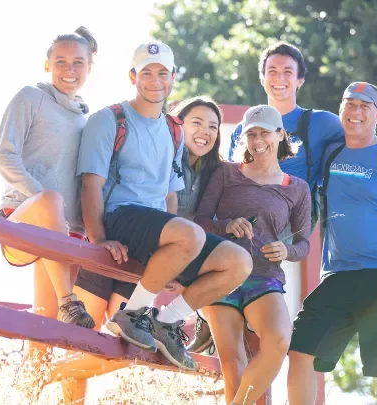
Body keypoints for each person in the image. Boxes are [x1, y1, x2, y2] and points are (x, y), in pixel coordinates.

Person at [189, 40, 377, 354]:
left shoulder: (321, 123)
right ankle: (207, 314)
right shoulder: (246, 126)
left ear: (300, 80)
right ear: (262, 78)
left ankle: (237, 313)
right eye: (272, 71)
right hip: (245, 218)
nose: (280, 77)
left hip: (289, 218)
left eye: (288, 72)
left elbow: (364, 137)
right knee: (212, 224)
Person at [77, 42, 252, 372]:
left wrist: (178, 256)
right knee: (191, 235)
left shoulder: (173, 130)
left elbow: (171, 196)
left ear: (172, 77)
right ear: (133, 76)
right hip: (120, 215)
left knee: (238, 262)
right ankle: (131, 314)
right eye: (146, 73)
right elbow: (90, 185)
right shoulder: (109, 119)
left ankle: (166, 321)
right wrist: (98, 239)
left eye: (162, 73)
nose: (155, 80)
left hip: (156, 226)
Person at [62, 96, 225, 403]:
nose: (205, 131)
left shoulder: (211, 175)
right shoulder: (150, 144)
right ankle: (62, 387)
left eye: (213, 126)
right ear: (177, 125)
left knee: (128, 347)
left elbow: (197, 223)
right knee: (83, 338)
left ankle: (55, 374)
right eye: (196, 123)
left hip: (147, 259)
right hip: (117, 239)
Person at [287, 82, 377, 405]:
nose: (356, 112)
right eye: (350, 104)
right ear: (341, 111)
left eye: (365, 106)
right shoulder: (331, 153)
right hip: (337, 275)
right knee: (300, 348)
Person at [0, 26, 98, 401]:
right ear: (47, 64)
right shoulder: (30, 98)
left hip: (64, 236)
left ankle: (29, 395)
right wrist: (44, 200)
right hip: (24, 218)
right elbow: (4, 157)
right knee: (52, 200)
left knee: (46, 328)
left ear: (90, 66)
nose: (69, 69)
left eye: (78, 62)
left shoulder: (87, 120)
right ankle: (70, 301)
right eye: (60, 62)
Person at [194, 105, 311, 405]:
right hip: (222, 274)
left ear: (280, 135)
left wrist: (287, 250)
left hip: (265, 278)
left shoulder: (297, 189)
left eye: (264, 134)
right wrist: (226, 225)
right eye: (251, 135)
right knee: (233, 364)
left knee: (279, 340)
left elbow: (303, 244)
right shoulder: (226, 173)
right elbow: (199, 222)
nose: (258, 141)